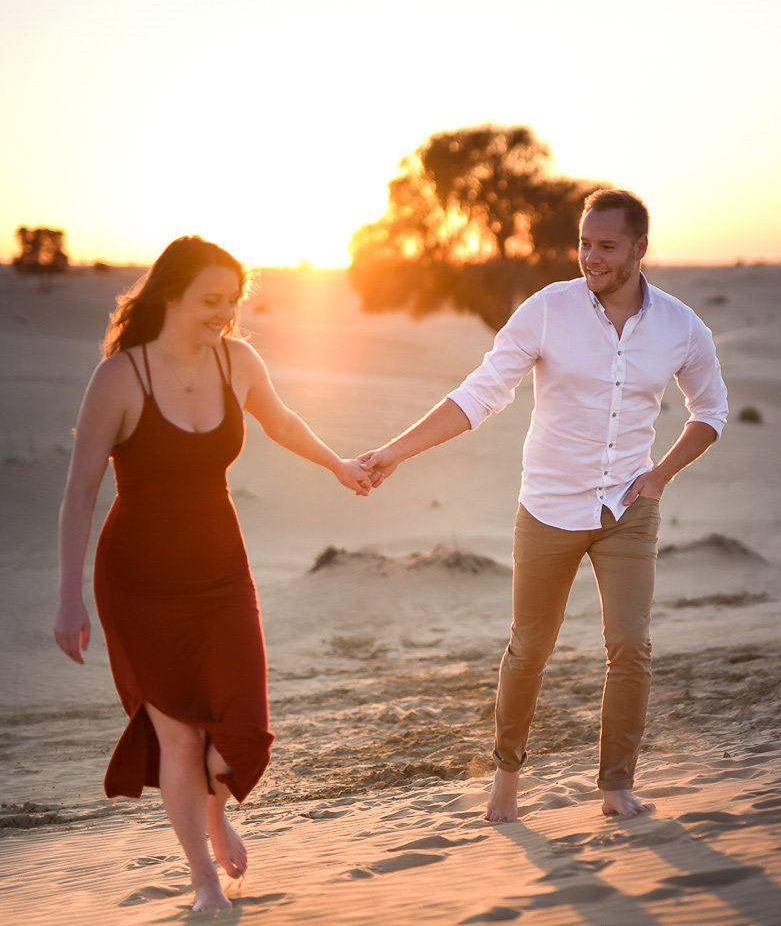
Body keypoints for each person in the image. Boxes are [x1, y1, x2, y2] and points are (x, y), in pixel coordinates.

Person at [356, 188, 727, 822]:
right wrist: (396, 452)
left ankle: (615, 787)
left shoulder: (681, 327)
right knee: (530, 648)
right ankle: (506, 776)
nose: (592, 258)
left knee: (631, 647)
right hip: (550, 507)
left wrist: (660, 475)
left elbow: (710, 411)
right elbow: (480, 395)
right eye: (584, 244)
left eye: (607, 246)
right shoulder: (548, 310)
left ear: (641, 247)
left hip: (628, 508)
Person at [53, 236, 373, 911]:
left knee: (245, 732)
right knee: (179, 734)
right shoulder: (120, 378)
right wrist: (68, 598)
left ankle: (214, 806)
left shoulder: (238, 361)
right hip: (138, 583)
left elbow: (281, 422)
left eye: (233, 300)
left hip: (222, 573)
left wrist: (338, 463)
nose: (224, 315)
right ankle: (203, 880)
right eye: (210, 301)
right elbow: (80, 490)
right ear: (170, 294)